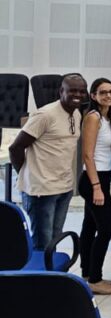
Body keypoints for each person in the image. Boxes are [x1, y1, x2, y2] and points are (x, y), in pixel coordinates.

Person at [9, 73, 87, 251]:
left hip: (64, 187)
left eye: (82, 91)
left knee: (55, 240)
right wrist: (27, 174)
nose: (78, 95)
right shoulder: (45, 115)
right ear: (61, 91)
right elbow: (15, 148)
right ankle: (40, 270)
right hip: (41, 191)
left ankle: (52, 269)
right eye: (72, 90)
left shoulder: (76, 113)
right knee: (42, 244)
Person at [78, 77, 111, 295]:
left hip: (100, 176)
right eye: (103, 92)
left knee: (90, 226)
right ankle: (95, 279)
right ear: (93, 95)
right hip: (94, 179)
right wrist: (96, 186)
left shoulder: (105, 117)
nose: (108, 95)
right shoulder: (93, 117)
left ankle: (87, 273)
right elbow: (87, 155)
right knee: (107, 227)